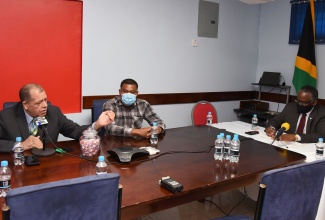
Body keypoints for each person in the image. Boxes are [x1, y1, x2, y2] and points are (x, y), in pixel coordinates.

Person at [0, 83, 115, 152]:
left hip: (47, 166)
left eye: (45, 100)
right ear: (25, 105)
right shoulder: (6, 117)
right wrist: (20, 145)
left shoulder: (53, 112)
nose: (45, 105)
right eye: (38, 103)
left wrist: (97, 124)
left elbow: (75, 131)